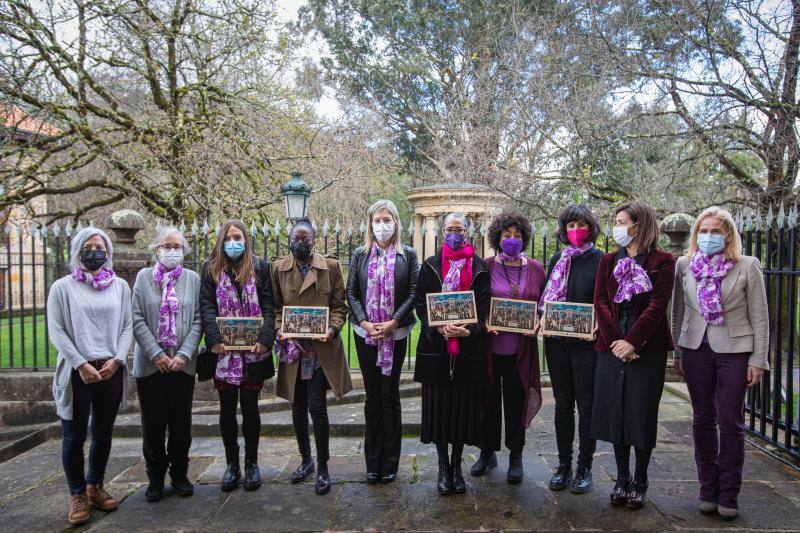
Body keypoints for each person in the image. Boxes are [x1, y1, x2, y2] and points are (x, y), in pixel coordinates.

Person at [672, 206, 768, 521]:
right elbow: (679, 312)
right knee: (701, 419)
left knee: (730, 422)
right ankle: (707, 489)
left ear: (727, 236)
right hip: (696, 348)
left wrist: (758, 359)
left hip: (735, 351)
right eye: (704, 230)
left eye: (715, 231)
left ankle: (728, 494)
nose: (708, 236)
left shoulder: (746, 266)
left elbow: (760, 316)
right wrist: (679, 351)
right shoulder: (684, 265)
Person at [592, 201, 675, 511]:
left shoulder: (663, 262)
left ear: (639, 225)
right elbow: (600, 301)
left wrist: (633, 342)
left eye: (622, 220)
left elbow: (657, 306)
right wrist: (616, 342)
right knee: (616, 414)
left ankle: (640, 480)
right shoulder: (608, 261)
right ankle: (622, 478)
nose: (617, 226)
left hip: (646, 351)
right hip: (611, 349)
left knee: (640, 415)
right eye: (615, 220)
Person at [48, 227, 132, 526]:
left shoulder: (120, 286)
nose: (95, 251)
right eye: (89, 246)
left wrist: (118, 360)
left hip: (110, 368)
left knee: (103, 432)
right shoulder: (62, 287)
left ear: (108, 253)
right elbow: (56, 331)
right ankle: (76, 494)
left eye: (101, 247)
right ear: (79, 250)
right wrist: (80, 363)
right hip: (77, 372)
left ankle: (94, 485)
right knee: (73, 436)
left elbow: (127, 326)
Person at [272, 218, 353, 495]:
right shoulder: (278, 269)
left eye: (305, 238)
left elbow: (340, 307)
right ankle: (305, 459)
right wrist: (279, 328)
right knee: (297, 406)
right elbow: (275, 307)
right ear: (289, 239)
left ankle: (323, 466)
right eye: (296, 237)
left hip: (321, 350)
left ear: (315, 240)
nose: (300, 242)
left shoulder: (330, 267)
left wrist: (331, 329)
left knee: (317, 406)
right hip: (294, 349)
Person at [414, 212, 490, 496]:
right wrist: (438, 328)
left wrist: (469, 331)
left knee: (461, 413)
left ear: (467, 232)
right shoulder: (430, 265)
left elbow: (484, 308)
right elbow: (421, 305)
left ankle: (457, 466)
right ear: (442, 232)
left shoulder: (480, 268)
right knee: (439, 412)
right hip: (437, 351)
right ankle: (442, 466)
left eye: (459, 229)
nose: (454, 234)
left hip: (467, 351)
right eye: (449, 229)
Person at [199, 220, 275, 492]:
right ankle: (232, 464)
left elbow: (269, 304)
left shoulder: (261, 267)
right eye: (229, 237)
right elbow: (206, 306)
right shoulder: (210, 269)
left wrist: (266, 339)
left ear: (246, 239)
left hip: (253, 354)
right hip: (224, 355)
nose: (233, 242)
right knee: (227, 409)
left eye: (238, 237)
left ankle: (252, 463)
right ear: (221, 240)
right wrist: (214, 340)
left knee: (251, 408)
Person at [346, 200, 419, 484]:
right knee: (372, 398)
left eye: (387, 219)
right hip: (365, 335)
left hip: (395, 333)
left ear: (396, 223)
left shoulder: (408, 255)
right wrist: (365, 323)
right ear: (370, 224)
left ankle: (390, 461)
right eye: (377, 220)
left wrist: (393, 323)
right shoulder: (359, 255)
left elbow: (413, 293)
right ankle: (372, 461)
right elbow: (351, 293)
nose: (382, 225)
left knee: (390, 397)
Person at [470, 212, 545, 484]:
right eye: (506, 235)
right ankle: (487, 452)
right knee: (488, 401)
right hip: (491, 348)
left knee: (516, 401)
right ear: (497, 238)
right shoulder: (486, 266)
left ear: (524, 238)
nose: (512, 240)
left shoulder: (536, 269)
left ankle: (516, 455)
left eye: (517, 235)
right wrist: (485, 319)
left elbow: (544, 305)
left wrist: (538, 321)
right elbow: (477, 303)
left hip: (520, 350)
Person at [132, 226, 203, 502]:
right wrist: (156, 354)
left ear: (183, 250)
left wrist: (184, 354)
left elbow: (198, 319)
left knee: (181, 424)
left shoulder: (193, 279)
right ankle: (155, 477)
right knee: (153, 425)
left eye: (177, 246)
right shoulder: (142, 278)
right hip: (152, 366)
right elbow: (136, 318)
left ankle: (180, 474)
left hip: (182, 365)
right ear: (156, 249)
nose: (172, 251)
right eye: (167, 245)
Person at [540, 205, 603, 494]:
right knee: (563, 403)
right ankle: (563, 465)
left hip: (585, 346)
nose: (574, 230)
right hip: (556, 344)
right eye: (569, 225)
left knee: (586, 405)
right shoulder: (557, 258)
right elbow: (547, 298)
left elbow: (605, 303)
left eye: (580, 224)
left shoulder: (601, 260)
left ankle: (584, 466)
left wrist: (598, 324)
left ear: (590, 227)